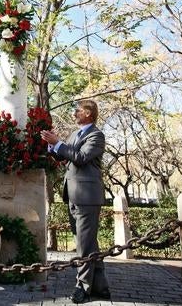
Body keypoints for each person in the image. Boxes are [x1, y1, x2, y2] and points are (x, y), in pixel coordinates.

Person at [40, 100, 111, 304]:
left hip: (87, 196)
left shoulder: (96, 135)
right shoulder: (74, 134)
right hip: (72, 194)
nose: (74, 114)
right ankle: (100, 285)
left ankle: (83, 287)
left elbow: (80, 157)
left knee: (83, 244)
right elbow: (64, 157)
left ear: (88, 113)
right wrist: (52, 143)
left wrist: (59, 143)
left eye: (77, 110)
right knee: (88, 242)